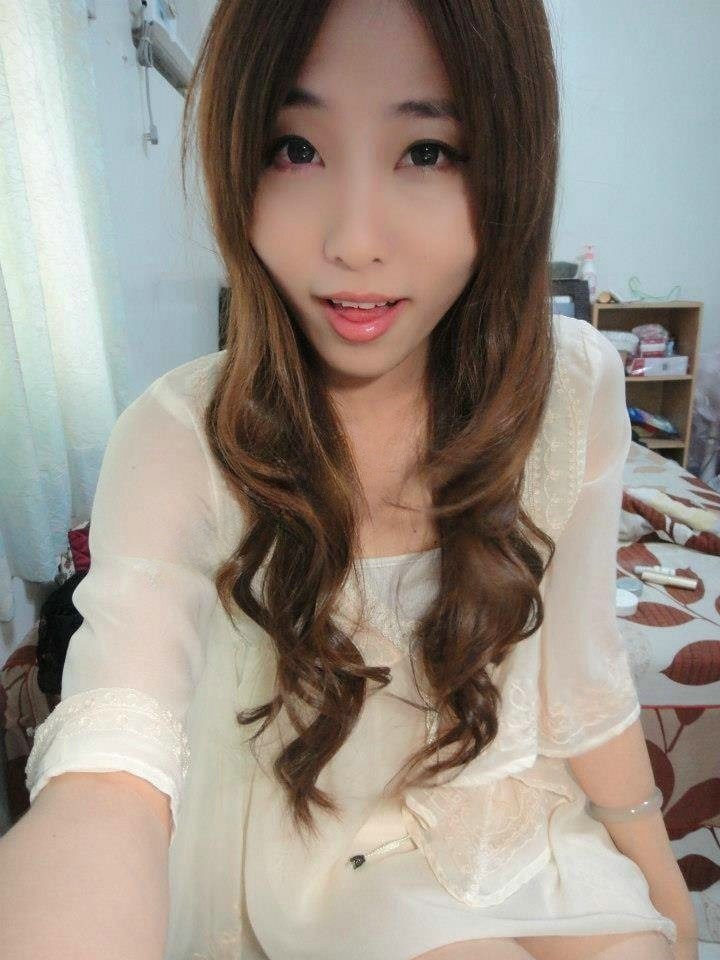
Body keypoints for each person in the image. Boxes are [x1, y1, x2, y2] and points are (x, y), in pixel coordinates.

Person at [0, 1, 699, 959]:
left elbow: (583, 675)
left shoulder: (572, 385)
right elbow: (110, 762)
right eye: (296, 149)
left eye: (427, 152)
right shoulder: (183, 436)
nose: (355, 242)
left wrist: (667, 895)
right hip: (324, 857)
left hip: (517, 822)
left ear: (511, 161)